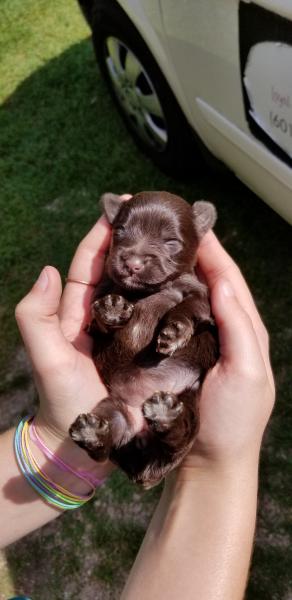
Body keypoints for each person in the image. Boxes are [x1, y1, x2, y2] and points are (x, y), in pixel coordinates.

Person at [0, 195, 275, 600]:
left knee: (175, 412)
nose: (134, 255)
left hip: (180, 390)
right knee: (115, 415)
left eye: (170, 244)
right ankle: (103, 437)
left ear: (197, 236)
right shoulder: (115, 289)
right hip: (123, 400)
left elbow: (201, 308)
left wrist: (182, 321)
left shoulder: (189, 288)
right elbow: (103, 323)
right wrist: (108, 314)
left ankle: (154, 426)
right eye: (124, 234)